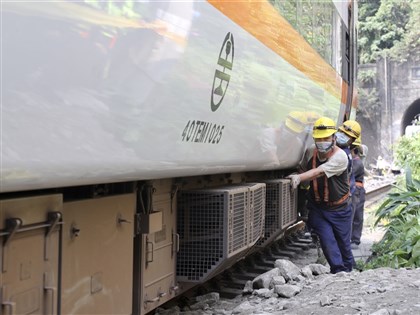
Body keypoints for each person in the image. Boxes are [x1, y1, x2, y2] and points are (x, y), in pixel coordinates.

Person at [287, 117, 354, 273]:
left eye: (326, 138)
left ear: (334, 138)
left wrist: (299, 178)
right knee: (327, 241)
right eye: (319, 138)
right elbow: (304, 169)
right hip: (318, 208)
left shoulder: (340, 157)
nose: (322, 141)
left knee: (344, 245)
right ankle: (338, 271)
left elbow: (318, 172)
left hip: (340, 209)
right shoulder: (311, 151)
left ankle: (349, 272)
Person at [350, 137, 366, 248]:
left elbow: (350, 175)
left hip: (357, 190)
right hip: (356, 190)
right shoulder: (355, 161)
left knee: (356, 215)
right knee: (355, 214)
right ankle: (354, 239)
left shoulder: (357, 163)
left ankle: (355, 239)